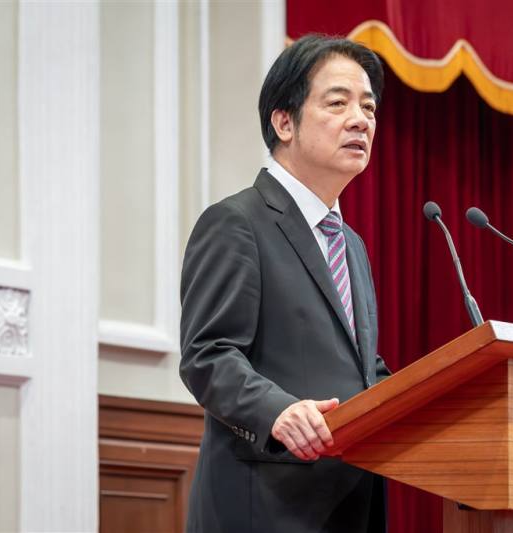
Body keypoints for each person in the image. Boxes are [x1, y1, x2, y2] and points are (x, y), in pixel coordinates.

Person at [179, 34, 391, 533]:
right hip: (268, 506)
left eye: (369, 107)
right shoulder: (237, 222)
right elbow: (207, 354)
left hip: (351, 504)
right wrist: (278, 411)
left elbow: (361, 369)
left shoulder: (351, 245)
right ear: (284, 121)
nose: (361, 120)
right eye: (338, 103)